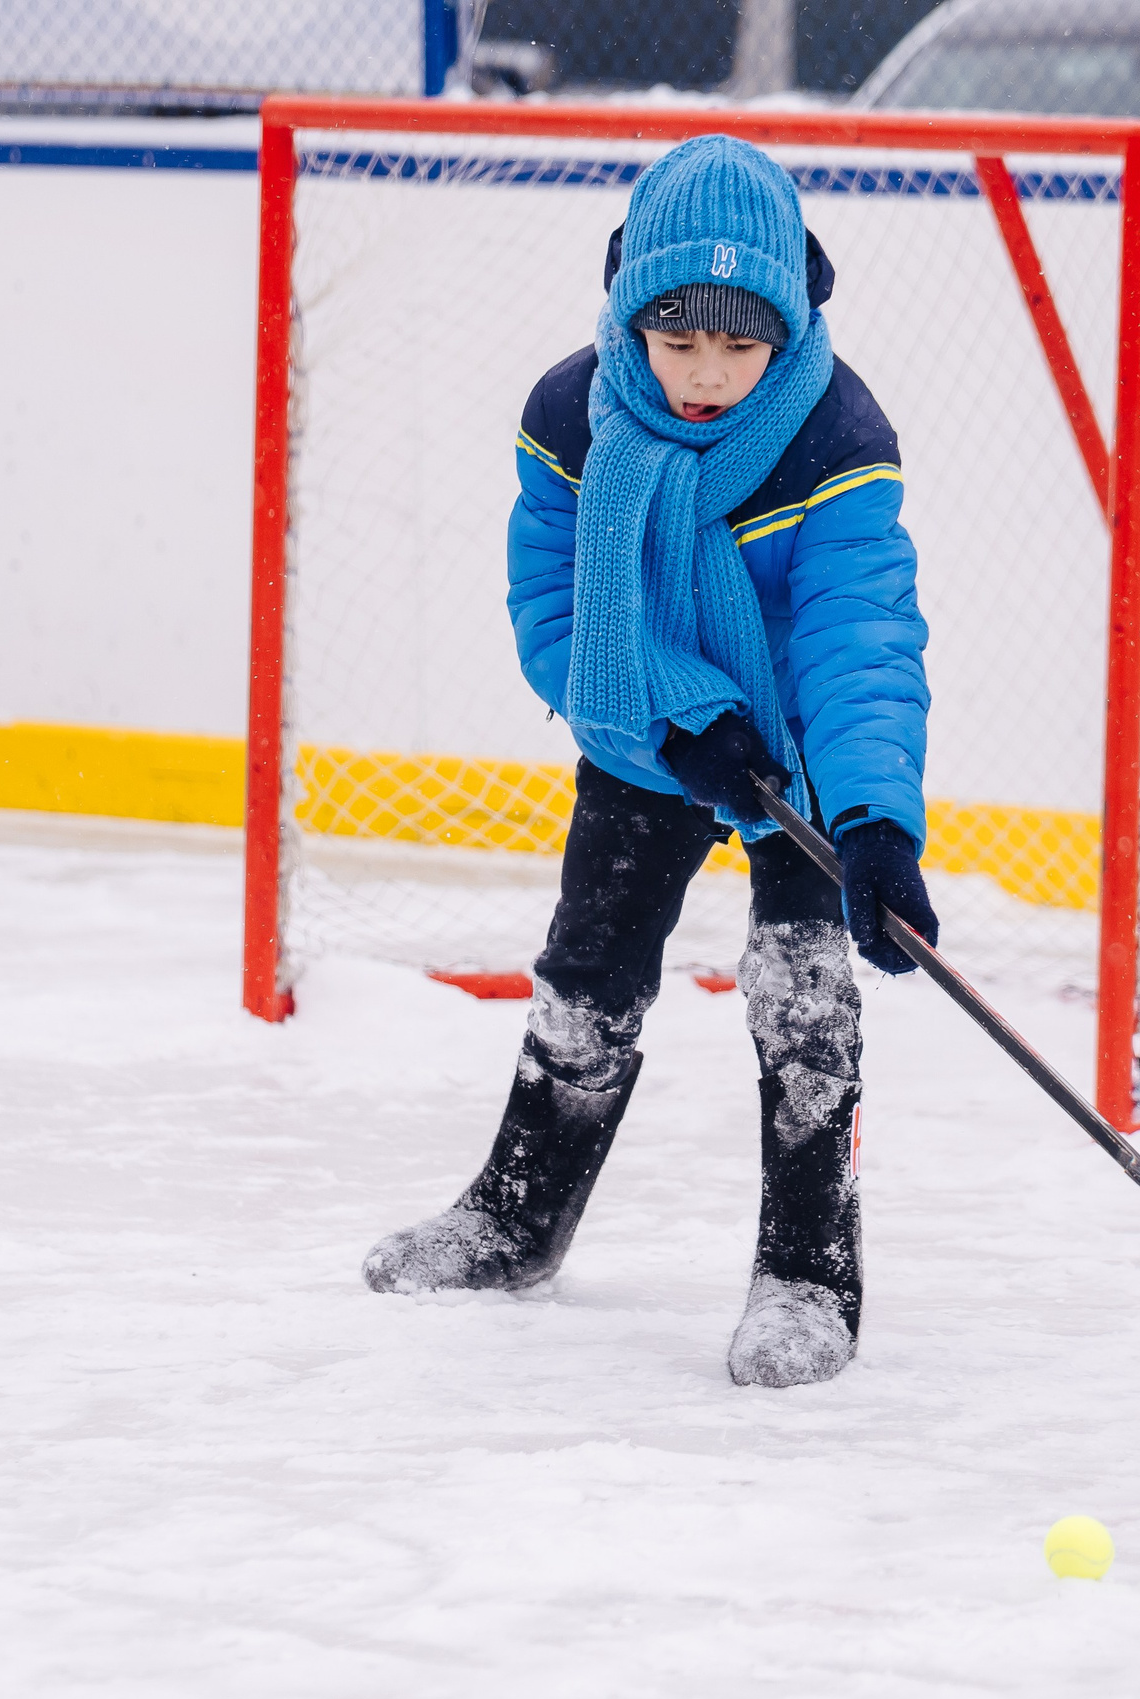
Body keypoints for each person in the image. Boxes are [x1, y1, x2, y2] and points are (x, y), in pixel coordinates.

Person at [361, 135, 936, 1390]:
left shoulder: (835, 433)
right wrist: (674, 721)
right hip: (644, 723)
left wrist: (874, 824)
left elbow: (859, 639)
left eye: (741, 346)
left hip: (794, 749)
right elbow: (559, 619)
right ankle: (516, 1220)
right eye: (679, 342)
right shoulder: (572, 413)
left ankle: (806, 1273)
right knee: (587, 972)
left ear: (788, 327)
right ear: (631, 314)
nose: (708, 376)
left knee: (803, 997)